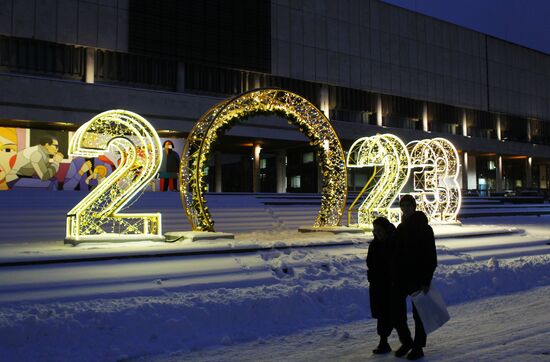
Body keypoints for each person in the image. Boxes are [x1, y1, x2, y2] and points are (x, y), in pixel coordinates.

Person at [391, 194, 437, 360]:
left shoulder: (424, 228)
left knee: (419, 314)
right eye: (403, 206)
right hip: (402, 277)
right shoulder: (401, 228)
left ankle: (418, 346)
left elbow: (431, 256)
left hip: (417, 277)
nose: (405, 209)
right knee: (395, 310)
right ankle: (407, 341)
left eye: (408, 206)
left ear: (414, 207)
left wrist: (426, 280)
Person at [366, 216, 396, 354]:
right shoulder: (375, 244)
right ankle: (384, 341)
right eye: (375, 230)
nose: (376, 232)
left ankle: (405, 341)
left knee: (389, 313)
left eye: (379, 230)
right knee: (383, 313)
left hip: (390, 284)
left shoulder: (392, 242)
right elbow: (370, 262)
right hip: (378, 284)